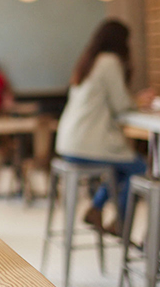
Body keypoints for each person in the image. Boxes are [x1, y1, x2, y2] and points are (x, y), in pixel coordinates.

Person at [56, 19, 150, 236]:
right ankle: (120, 222)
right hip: (88, 143)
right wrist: (141, 100)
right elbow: (121, 104)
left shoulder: (89, 61)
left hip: (69, 143)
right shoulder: (109, 61)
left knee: (120, 167)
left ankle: (96, 209)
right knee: (139, 168)